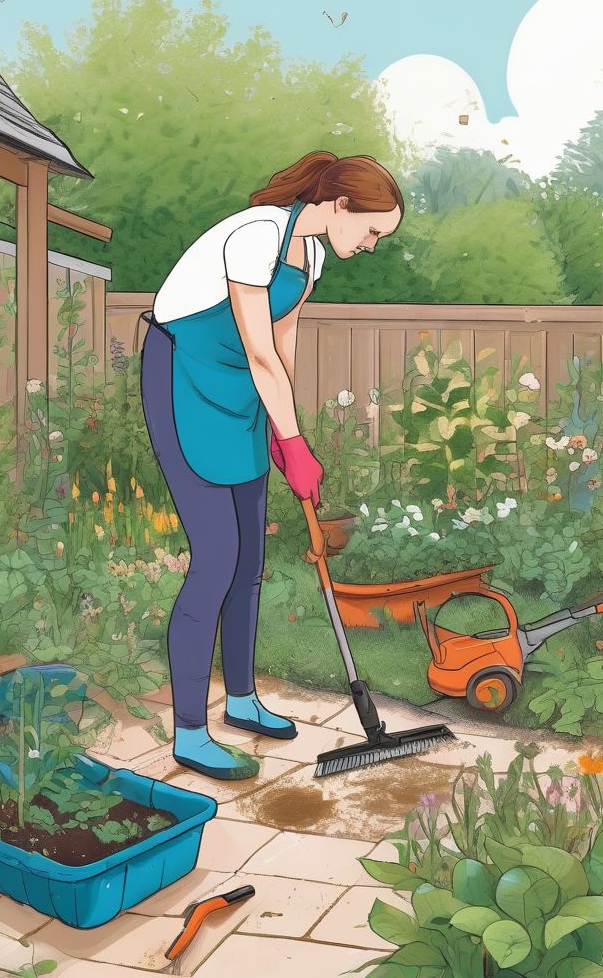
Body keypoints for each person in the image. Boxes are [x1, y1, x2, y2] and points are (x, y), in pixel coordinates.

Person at [140, 150, 403, 779]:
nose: (369, 245)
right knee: (216, 560)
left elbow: (280, 354)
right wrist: (294, 443)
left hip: (243, 394)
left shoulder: (308, 257)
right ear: (340, 205)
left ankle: (240, 700)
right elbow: (258, 351)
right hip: (185, 376)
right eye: (370, 230)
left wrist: (289, 438)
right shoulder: (256, 237)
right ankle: (190, 732)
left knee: (250, 560)